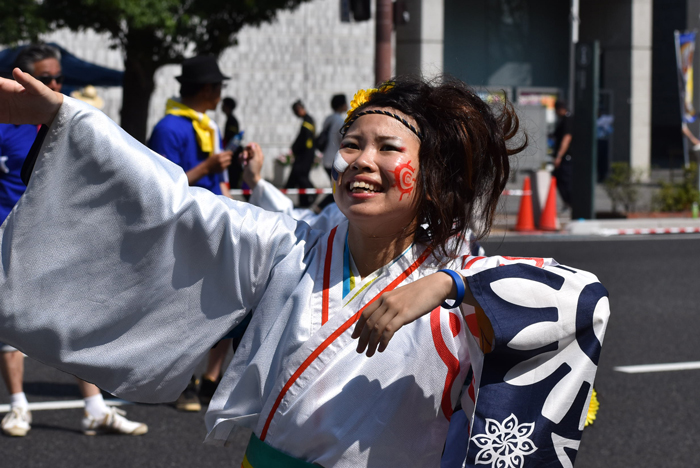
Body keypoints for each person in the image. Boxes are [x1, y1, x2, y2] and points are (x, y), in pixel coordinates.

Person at [0, 73, 609, 467]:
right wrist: (66, 118)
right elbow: (173, 205)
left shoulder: (462, 282)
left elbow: (585, 301)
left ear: (434, 174)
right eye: (352, 144)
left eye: (387, 148)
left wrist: (449, 284)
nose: (360, 161)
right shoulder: (287, 244)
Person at [0, 44, 147, 437]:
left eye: (59, 78)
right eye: (46, 78)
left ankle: (95, 409)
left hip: (59, 235)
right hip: (8, 235)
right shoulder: (4, 122)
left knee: (77, 319)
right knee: (8, 323)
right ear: (22, 78)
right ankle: (18, 407)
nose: (55, 85)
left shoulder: (68, 120)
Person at [148, 55, 237, 411]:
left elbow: (219, 181)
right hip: (185, 230)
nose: (219, 94)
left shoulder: (206, 125)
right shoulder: (169, 128)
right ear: (205, 89)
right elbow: (159, 188)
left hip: (215, 223)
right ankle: (183, 380)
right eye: (217, 87)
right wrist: (207, 167)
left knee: (230, 302)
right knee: (185, 308)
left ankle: (211, 379)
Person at [317, 94, 348, 210]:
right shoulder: (340, 121)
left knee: (335, 187)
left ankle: (323, 208)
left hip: (326, 159)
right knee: (338, 188)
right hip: (335, 160)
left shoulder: (328, 119)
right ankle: (320, 207)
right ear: (341, 105)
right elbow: (343, 139)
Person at [285, 99, 316, 207]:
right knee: (300, 176)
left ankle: (313, 192)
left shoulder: (307, 120)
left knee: (300, 175)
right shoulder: (307, 120)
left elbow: (306, 140)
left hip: (305, 155)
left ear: (300, 109)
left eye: (296, 111)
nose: (295, 113)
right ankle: (303, 202)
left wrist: (296, 148)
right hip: (305, 154)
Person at [552, 99, 573, 209]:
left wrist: (559, 156)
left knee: (565, 181)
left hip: (566, 157)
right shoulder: (563, 120)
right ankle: (568, 202)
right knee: (558, 179)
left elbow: (567, 138)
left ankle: (570, 202)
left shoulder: (568, 120)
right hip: (563, 157)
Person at [222, 97, 245, 190]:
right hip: (232, 153)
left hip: (233, 155)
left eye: (224, 105)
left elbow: (232, 138)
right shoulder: (230, 119)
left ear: (228, 107)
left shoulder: (232, 120)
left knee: (234, 176)